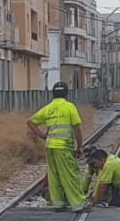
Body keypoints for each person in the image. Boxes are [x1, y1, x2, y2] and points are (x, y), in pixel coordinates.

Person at [27, 82, 86, 210]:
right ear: (66, 93)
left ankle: (58, 203)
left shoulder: (48, 108)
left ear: (53, 93)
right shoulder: (70, 107)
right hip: (63, 147)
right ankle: (78, 204)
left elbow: (31, 122)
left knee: (54, 175)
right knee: (70, 174)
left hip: (50, 147)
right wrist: (80, 146)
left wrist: (43, 136)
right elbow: (77, 129)